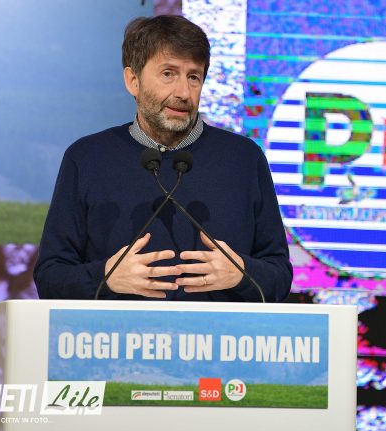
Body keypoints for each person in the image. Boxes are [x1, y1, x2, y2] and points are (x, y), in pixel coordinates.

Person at [34, 15, 292, 302]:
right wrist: (105, 277)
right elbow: (50, 278)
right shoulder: (87, 158)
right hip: (119, 331)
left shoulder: (244, 159)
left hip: (220, 331)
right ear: (133, 81)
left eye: (193, 77)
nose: (183, 93)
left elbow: (280, 276)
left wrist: (242, 274)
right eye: (168, 74)